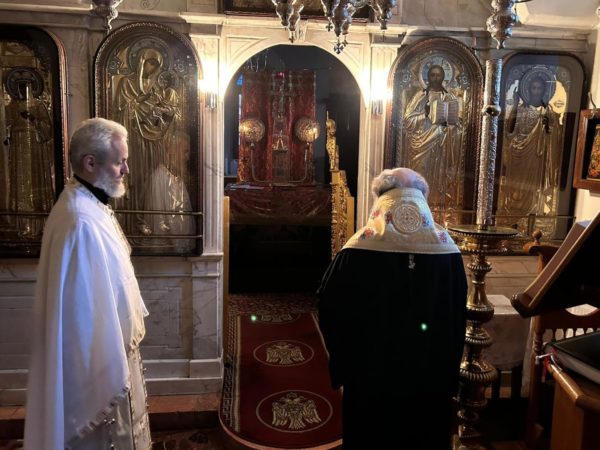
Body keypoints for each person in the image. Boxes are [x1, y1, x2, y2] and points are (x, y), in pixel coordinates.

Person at [317, 167, 467, 450]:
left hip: (370, 381)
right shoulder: (448, 252)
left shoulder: (355, 250)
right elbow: (457, 316)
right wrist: (447, 373)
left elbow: (328, 307)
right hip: (429, 381)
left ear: (381, 198)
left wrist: (344, 365)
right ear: (421, 198)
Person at [24, 118, 151, 449]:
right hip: (97, 362)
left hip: (114, 348)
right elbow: (83, 318)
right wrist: (107, 361)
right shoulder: (80, 220)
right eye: (120, 162)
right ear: (90, 163)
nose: (126, 170)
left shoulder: (89, 203)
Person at [114, 47, 179, 236]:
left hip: (156, 139)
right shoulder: (128, 83)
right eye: (151, 62)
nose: (153, 68)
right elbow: (121, 111)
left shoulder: (160, 87)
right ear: (141, 62)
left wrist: (163, 110)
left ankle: (156, 218)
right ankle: (137, 220)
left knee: (155, 177)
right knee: (138, 179)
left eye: (157, 65)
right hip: (135, 140)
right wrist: (141, 102)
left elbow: (171, 114)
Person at [498, 74, 562, 233]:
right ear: (528, 89)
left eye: (539, 88)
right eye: (533, 87)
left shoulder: (547, 111)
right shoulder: (520, 109)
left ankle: (528, 224)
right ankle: (511, 222)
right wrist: (514, 104)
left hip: (535, 156)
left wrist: (548, 129)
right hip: (517, 155)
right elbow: (509, 130)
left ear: (544, 91)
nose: (536, 91)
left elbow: (554, 137)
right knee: (515, 188)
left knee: (531, 189)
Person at [404, 64, 464, 222]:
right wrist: (425, 115)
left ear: (444, 77)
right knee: (422, 175)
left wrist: (451, 124)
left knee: (440, 179)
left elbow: (459, 126)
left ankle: (439, 216)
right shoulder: (420, 96)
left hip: (442, 144)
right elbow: (407, 120)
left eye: (439, 75)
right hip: (423, 143)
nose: (436, 78)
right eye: (432, 75)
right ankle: (418, 211)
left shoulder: (450, 97)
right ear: (427, 77)